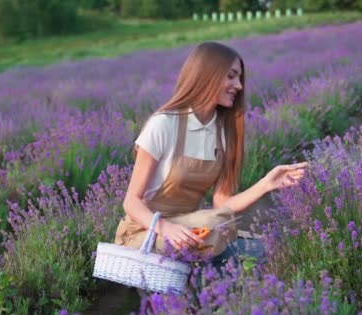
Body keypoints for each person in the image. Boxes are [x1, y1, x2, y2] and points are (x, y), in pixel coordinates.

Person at [114, 41, 306, 268]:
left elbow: (222, 204)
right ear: (208, 74)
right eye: (231, 76)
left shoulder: (223, 134)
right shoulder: (164, 124)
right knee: (216, 225)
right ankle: (193, 281)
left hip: (189, 231)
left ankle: (206, 284)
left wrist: (266, 184)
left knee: (251, 244)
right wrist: (166, 228)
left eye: (240, 79)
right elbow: (131, 202)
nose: (239, 86)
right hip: (145, 232)